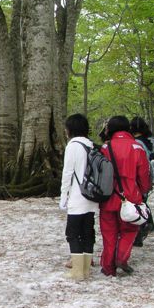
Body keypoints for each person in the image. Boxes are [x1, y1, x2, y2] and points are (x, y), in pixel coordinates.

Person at [99, 116, 151, 276]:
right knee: (129, 230)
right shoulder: (137, 147)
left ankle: (108, 267)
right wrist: (143, 190)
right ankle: (121, 257)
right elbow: (144, 175)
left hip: (108, 196)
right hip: (130, 196)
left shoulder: (105, 148)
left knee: (109, 233)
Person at [59, 114, 98, 280]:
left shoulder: (73, 146)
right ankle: (86, 269)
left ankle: (77, 271)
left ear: (70, 129)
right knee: (88, 232)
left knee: (73, 233)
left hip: (77, 196)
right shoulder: (92, 145)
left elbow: (67, 173)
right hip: (92, 195)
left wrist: (63, 196)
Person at [130, 117, 154, 246]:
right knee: (143, 201)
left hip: (140, 175)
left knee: (137, 204)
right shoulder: (152, 141)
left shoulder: (136, 143)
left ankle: (142, 229)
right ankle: (148, 224)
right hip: (151, 174)